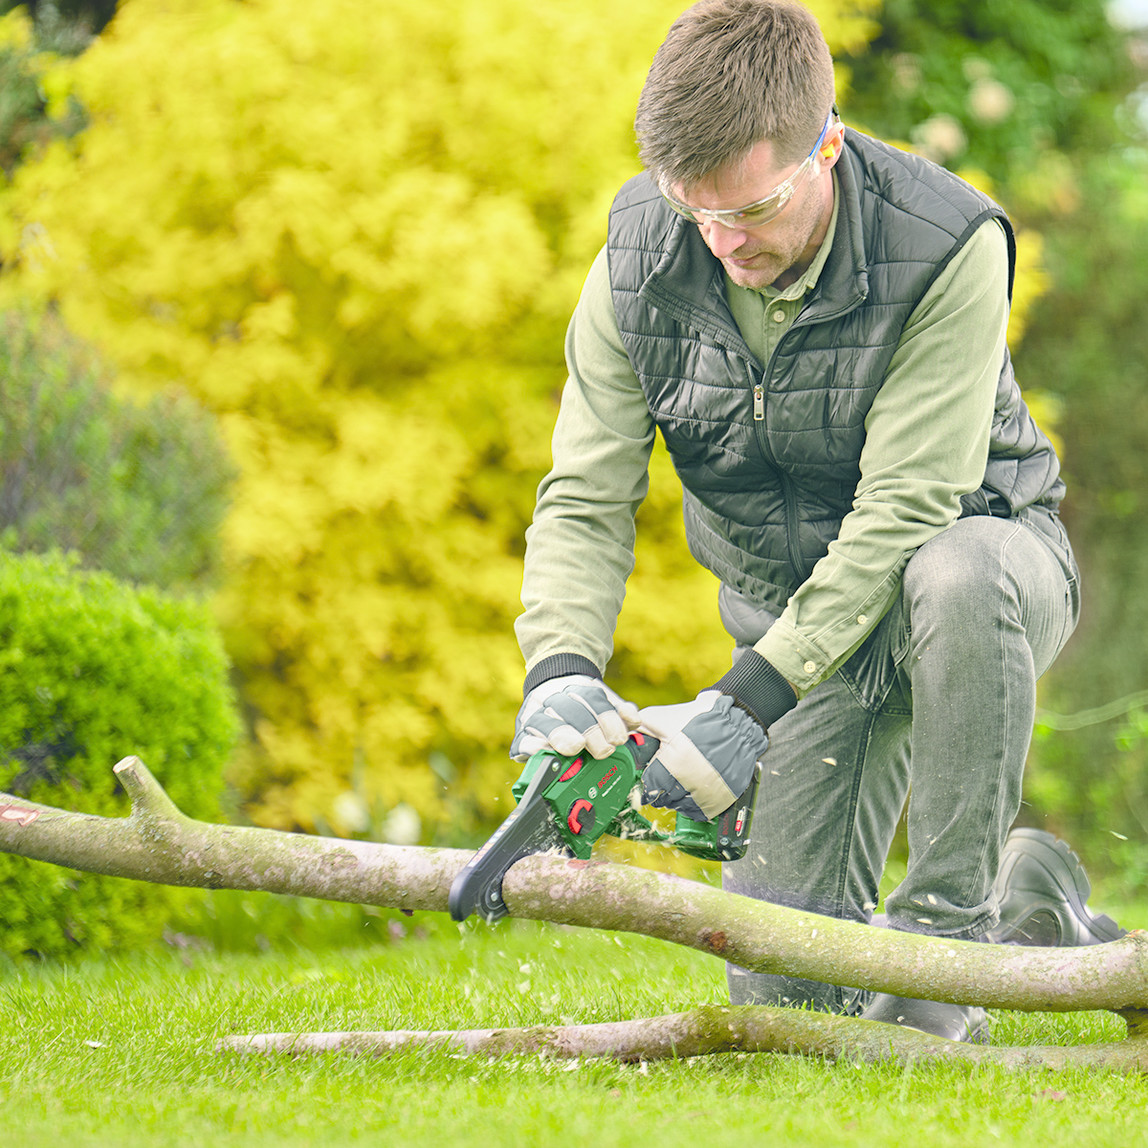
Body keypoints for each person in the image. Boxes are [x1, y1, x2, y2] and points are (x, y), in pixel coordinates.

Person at [510, 0, 1123, 1043]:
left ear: (824, 146)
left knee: (956, 567)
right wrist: (558, 666)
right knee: (785, 988)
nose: (720, 240)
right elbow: (584, 488)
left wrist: (745, 698)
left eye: (748, 210)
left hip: (976, 567)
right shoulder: (639, 256)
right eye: (693, 210)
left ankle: (945, 939)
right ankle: (1039, 912)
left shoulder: (945, 244)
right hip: (800, 629)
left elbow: (904, 510)